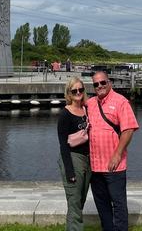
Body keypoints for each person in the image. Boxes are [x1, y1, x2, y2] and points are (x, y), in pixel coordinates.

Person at [87, 71, 139, 231]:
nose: (99, 86)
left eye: (102, 82)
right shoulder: (90, 103)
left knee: (118, 202)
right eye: (96, 84)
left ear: (109, 82)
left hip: (114, 165)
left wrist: (117, 155)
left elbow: (128, 130)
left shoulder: (120, 102)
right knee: (101, 203)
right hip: (95, 166)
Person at [57, 76, 91, 231]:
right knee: (74, 200)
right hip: (72, 157)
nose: (78, 93)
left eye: (80, 90)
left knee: (80, 199)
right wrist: (69, 170)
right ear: (69, 93)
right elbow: (63, 145)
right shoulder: (65, 114)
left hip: (87, 159)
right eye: (74, 90)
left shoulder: (86, 109)